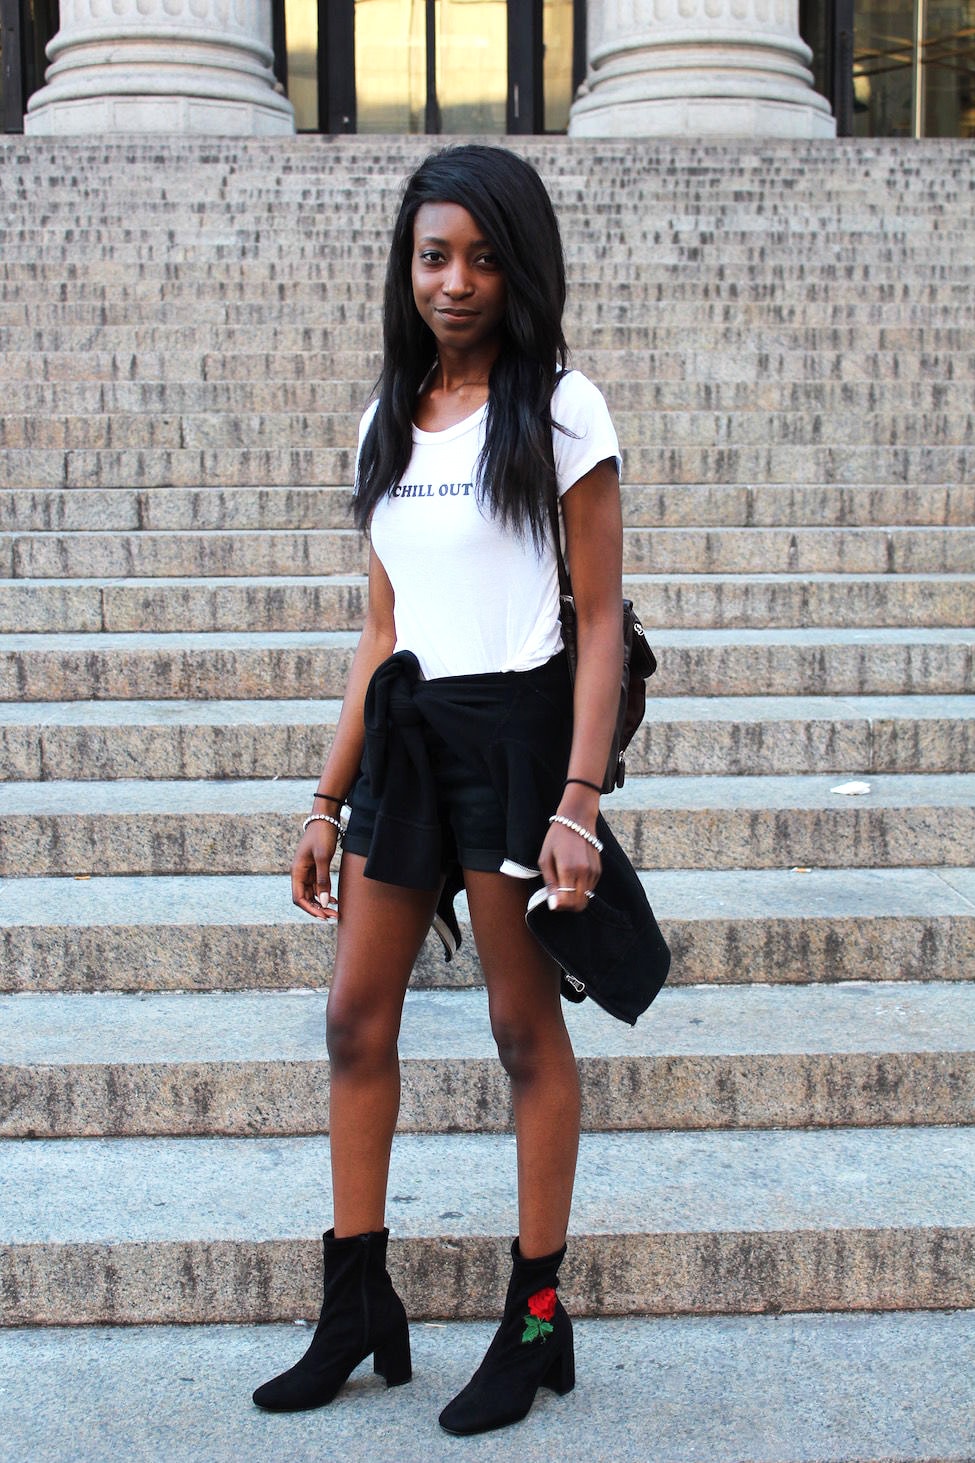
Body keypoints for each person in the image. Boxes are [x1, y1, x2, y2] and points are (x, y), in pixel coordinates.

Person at [253, 143, 626, 1436]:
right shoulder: (385, 424)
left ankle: (535, 1320)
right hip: (408, 740)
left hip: (519, 743)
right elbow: (379, 629)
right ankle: (359, 1301)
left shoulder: (563, 411)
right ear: (405, 267)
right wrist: (323, 798)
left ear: (517, 265)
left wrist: (578, 800)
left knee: (526, 1035)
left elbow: (598, 619)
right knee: (357, 1019)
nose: (454, 281)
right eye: (432, 255)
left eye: (478, 256)